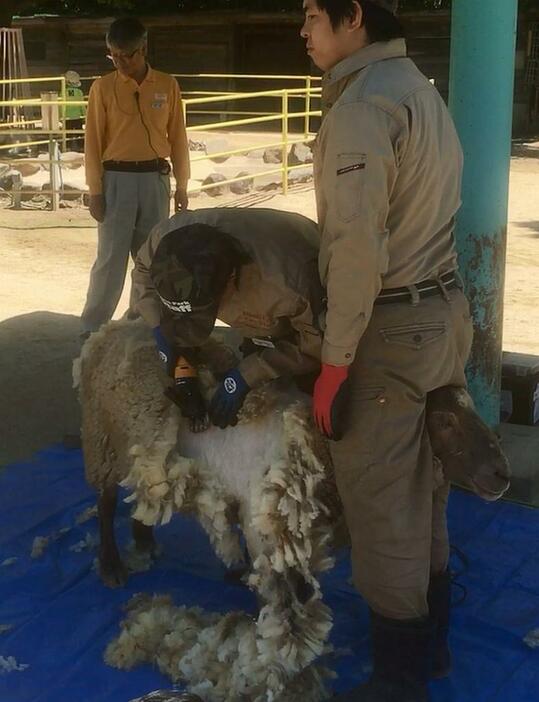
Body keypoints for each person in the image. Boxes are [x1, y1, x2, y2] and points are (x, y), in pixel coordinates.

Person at [300, 2, 473, 701]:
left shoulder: (362, 109)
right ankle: (428, 652)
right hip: (439, 313)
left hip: (387, 333)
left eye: (312, 15)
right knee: (424, 487)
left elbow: (354, 250)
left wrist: (334, 363)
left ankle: (398, 684)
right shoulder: (417, 89)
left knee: (381, 504)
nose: (303, 32)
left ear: (353, 18)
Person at [132, 207, 324, 430]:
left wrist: (248, 374)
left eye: (203, 311)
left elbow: (316, 344)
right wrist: (160, 327)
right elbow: (143, 271)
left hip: (306, 284)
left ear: (230, 279)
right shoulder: (165, 241)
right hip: (256, 272)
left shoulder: (291, 285)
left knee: (309, 397)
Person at [80, 17, 190, 339]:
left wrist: (181, 184)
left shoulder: (167, 85)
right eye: (113, 55)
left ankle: (138, 323)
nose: (120, 62)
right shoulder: (103, 87)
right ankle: (92, 327)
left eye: (127, 55)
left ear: (143, 49)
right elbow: (93, 143)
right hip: (116, 181)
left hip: (155, 180)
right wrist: (95, 191)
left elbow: (179, 137)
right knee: (110, 259)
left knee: (151, 258)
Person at [64, 70, 86, 152]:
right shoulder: (79, 92)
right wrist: (85, 115)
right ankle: (81, 147)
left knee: (67, 133)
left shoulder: (63, 92)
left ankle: (67, 147)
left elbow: (60, 106)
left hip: (67, 117)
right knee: (79, 132)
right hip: (77, 116)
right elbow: (82, 105)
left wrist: (60, 116)